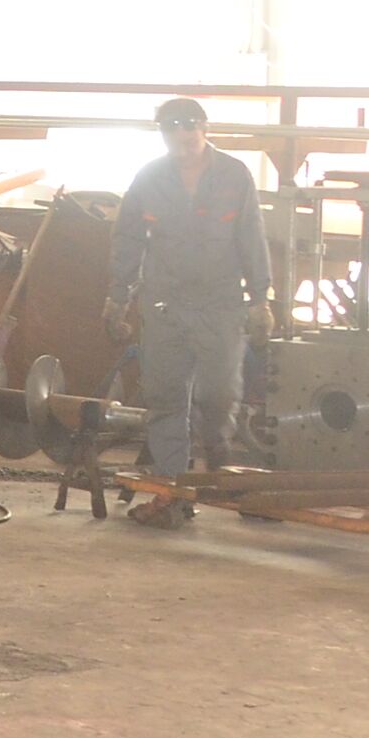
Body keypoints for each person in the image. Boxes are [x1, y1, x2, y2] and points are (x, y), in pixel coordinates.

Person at [107, 96, 274, 475]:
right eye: (170, 127)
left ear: (204, 127)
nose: (180, 134)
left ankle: (216, 444)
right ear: (162, 133)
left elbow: (250, 236)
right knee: (164, 395)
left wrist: (260, 299)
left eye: (188, 125)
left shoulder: (234, 174)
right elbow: (128, 238)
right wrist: (117, 298)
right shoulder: (149, 177)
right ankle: (172, 481)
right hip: (165, 303)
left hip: (221, 304)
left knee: (218, 394)